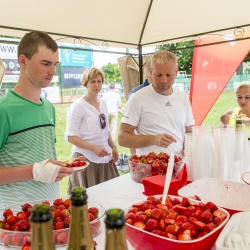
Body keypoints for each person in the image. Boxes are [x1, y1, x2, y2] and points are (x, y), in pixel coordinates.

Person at [0, 31, 75, 209]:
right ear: (23, 60)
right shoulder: (3, 109)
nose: (52, 72)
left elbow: (42, 156)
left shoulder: (49, 107)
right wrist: (34, 170)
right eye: (45, 63)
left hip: (51, 208)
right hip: (16, 217)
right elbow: (38, 167)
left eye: (55, 64)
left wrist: (57, 168)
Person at [118, 50, 195, 156]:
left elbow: (189, 132)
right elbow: (122, 138)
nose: (163, 80)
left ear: (176, 72)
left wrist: (188, 148)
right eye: (158, 75)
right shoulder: (138, 98)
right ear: (150, 71)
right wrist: (153, 139)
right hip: (149, 168)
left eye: (169, 75)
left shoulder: (183, 98)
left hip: (178, 166)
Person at [65, 67, 119, 191]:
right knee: (88, 201)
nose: (97, 85)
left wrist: (113, 147)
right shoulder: (78, 106)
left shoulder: (103, 104)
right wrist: (93, 148)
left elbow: (106, 130)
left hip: (104, 158)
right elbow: (70, 136)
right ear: (85, 83)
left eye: (99, 81)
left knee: (108, 196)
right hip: (86, 158)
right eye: (93, 82)